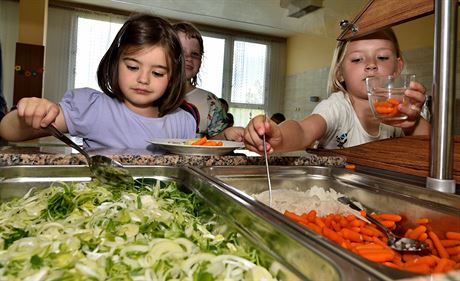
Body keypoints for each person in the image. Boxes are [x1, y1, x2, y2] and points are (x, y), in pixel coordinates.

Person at [0, 14, 196, 149]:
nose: (143, 79)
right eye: (133, 67)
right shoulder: (93, 108)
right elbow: (7, 131)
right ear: (115, 64)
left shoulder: (182, 122)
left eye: (158, 73)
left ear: (171, 78)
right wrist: (29, 113)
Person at [244, 28, 430, 154]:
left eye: (382, 57)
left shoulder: (398, 113)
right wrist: (279, 137)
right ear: (340, 72)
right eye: (357, 59)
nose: (371, 65)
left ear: (397, 67)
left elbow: (429, 147)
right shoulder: (338, 107)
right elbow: (303, 130)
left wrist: (413, 122)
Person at [173, 22, 243, 141]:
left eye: (194, 54)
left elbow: (216, 140)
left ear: (201, 61)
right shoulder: (152, 94)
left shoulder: (211, 102)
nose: (188, 58)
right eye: (180, 52)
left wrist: (226, 134)